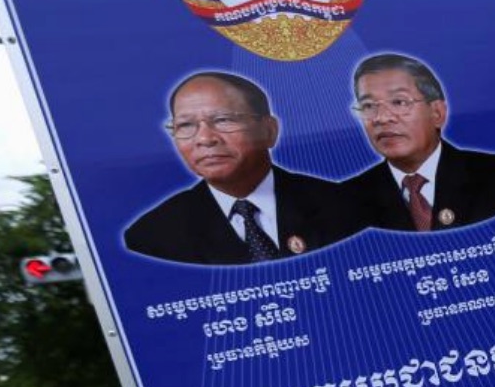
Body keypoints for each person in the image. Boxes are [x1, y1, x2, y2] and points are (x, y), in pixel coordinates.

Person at [125, 72, 357, 265]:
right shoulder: (151, 236)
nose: (205, 138)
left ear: (269, 130)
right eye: (186, 125)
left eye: (224, 120)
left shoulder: (345, 205)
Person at [342, 53, 495, 232]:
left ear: (437, 113)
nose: (382, 118)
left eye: (399, 102)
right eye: (368, 106)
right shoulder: (343, 201)